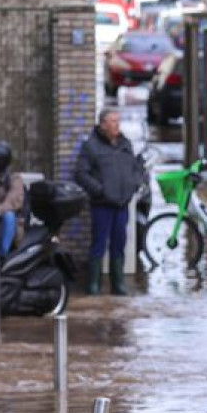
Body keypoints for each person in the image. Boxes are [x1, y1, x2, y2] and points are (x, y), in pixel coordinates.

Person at [72, 109, 144, 296]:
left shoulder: (125, 144)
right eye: (112, 121)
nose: (116, 125)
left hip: (122, 204)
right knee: (99, 244)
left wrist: (134, 184)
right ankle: (93, 285)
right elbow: (80, 173)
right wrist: (99, 190)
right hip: (102, 204)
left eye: (118, 121)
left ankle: (117, 284)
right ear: (102, 124)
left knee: (119, 243)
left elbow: (136, 168)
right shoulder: (91, 146)